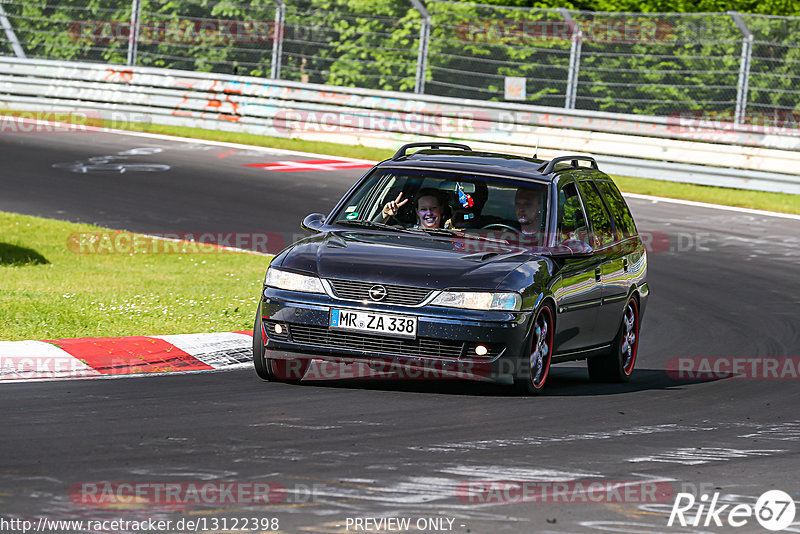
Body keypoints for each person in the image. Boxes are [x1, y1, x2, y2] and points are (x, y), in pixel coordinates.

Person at [381, 188, 448, 229]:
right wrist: (384, 215)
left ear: (441, 209)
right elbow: (373, 233)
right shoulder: (405, 232)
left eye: (433, 208)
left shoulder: (451, 237)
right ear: (417, 211)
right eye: (423, 209)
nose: (429, 213)